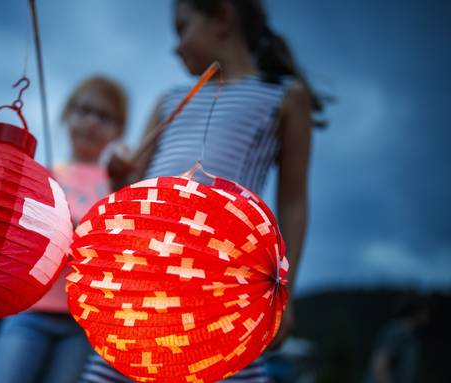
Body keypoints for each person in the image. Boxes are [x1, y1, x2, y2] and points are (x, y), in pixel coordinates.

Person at [83, 0, 326, 382]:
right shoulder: (170, 101)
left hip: (225, 286)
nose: (176, 45)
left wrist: (285, 294)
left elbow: (293, 200)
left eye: (182, 28)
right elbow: (132, 194)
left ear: (222, 16)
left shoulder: (283, 96)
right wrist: (118, 177)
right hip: (141, 278)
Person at [0, 76, 129, 383]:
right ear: (66, 114)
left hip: (81, 323)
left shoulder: (117, 182)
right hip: (29, 309)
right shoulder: (44, 174)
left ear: (119, 129)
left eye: (104, 117)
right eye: (84, 110)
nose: (91, 122)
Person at [364, 297, 430, 383]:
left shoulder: (409, 337)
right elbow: (379, 365)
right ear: (417, 311)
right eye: (426, 311)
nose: (428, 315)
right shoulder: (396, 331)